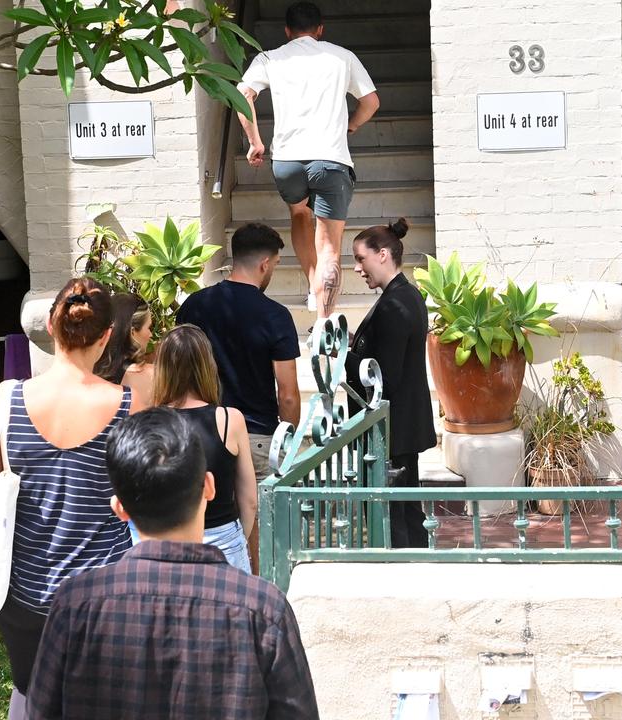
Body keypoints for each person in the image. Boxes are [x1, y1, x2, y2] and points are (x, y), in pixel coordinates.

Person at [25, 408, 319, 719]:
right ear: (209, 486)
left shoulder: (74, 606)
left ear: (119, 507)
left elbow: (41, 711)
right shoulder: (263, 611)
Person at [0, 276, 133, 718]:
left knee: (33, 693)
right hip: (105, 592)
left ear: (52, 327)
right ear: (108, 337)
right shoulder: (128, 405)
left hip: (24, 592)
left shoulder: (8, 398)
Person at [236, 1, 380, 319]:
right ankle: (325, 321)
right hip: (330, 160)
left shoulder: (270, 58)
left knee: (300, 214)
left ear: (287, 31)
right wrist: (352, 125)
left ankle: (314, 288)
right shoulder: (342, 57)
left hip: (288, 161)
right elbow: (371, 101)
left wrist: (255, 142)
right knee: (329, 245)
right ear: (320, 30)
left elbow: (242, 93)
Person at [176, 222, 300, 571]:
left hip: (199, 431)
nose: (272, 271)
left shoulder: (194, 306)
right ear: (264, 263)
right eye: (275, 265)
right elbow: (288, 393)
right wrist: (286, 441)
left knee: (201, 518)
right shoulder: (275, 315)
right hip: (257, 435)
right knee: (257, 531)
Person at [345, 218, 437, 548]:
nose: (357, 268)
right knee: (405, 510)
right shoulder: (404, 295)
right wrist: (358, 344)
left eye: (360, 258)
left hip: (393, 429)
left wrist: (343, 354)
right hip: (400, 426)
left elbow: (385, 375)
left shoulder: (396, 303)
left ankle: (404, 571)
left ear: (382, 254)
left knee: (395, 514)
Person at [151, 324, 258, 573]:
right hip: (223, 539)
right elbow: (249, 499)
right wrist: (239, 537)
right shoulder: (230, 419)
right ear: (207, 365)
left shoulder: (152, 421)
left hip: (169, 537)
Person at [92, 292, 154, 411]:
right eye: (149, 327)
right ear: (132, 332)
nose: (151, 335)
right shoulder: (152, 376)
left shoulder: (88, 371)